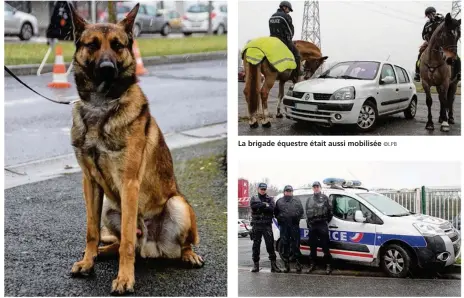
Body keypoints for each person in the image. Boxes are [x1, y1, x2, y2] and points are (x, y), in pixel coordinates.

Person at [249, 183, 282, 273]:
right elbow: (253, 206)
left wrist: (261, 206)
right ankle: (256, 265)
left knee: (270, 245)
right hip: (256, 225)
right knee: (256, 246)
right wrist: (264, 205)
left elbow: (272, 209)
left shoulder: (270, 199)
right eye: (261, 189)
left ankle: (273, 265)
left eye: (264, 189)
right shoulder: (254, 198)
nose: (263, 190)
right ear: (258, 189)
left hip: (267, 225)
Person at [269, 1, 302, 81]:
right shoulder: (286, 16)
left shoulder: (272, 16)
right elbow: (290, 31)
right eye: (289, 9)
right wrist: (289, 38)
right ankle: (296, 74)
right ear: (284, 7)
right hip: (283, 41)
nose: (289, 11)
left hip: (273, 40)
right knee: (297, 55)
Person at [274, 185, 304, 273]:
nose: (288, 192)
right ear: (284, 192)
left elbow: (301, 212)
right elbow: (276, 213)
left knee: (296, 246)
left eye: (290, 191)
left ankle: (298, 265)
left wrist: (296, 218)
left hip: (294, 226)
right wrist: (281, 218)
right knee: (285, 246)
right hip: (284, 227)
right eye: (287, 191)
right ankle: (287, 266)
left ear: (292, 192)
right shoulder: (279, 201)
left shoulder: (297, 200)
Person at [305, 181, 333, 274]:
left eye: (317, 186)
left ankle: (328, 265)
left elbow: (330, 212)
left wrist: (325, 221)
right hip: (313, 226)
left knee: (325, 246)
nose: (316, 188)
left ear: (320, 187)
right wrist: (309, 223)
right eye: (314, 187)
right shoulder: (309, 199)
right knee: (312, 246)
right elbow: (307, 212)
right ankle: (312, 265)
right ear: (312, 188)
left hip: (322, 225)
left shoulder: (325, 198)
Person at [414, 7, 445, 81]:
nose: (429, 16)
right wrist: (426, 37)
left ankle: (457, 72)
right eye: (427, 15)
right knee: (420, 52)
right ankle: (417, 73)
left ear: (434, 13)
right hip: (430, 43)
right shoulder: (427, 24)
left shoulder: (441, 20)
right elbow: (423, 35)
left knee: (452, 52)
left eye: (430, 14)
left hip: (441, 42)